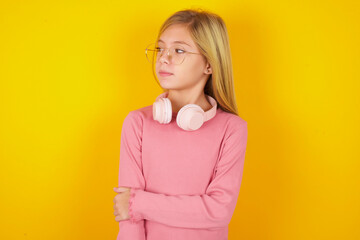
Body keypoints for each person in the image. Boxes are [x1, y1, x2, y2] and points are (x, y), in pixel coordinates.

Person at [113, 8, 248, 240]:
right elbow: (129, 222)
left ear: (209, 64)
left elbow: (219, 211)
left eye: (179, 50)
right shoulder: (137, 123)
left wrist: (139, 202)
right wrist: (133, 207)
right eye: (161, 48)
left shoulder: (232, 129)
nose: (164, 57)